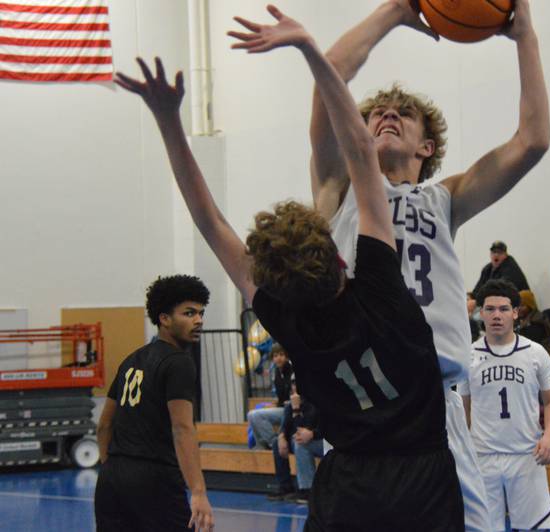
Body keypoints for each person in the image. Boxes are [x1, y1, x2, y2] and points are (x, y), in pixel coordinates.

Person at [118, 8, 464, 528]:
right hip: (424, 481)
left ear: (272, 288)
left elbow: (208, 219)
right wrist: (309, 50)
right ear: (339, 258)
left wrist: (167, 122)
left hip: (347, 483)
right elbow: (361, 154)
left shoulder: (291, 325)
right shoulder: (382, 290)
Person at [308, 1, 550, 528]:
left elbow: (532, 142)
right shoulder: (339, 189)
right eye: (375, 113)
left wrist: (525, 36)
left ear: (427, 146)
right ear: (358, 135)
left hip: (435, 402)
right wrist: (395, 9)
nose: (388, 115)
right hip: (362, 398)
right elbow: (327, 77)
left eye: (405, 113)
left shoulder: (446, 198)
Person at [94, 275, 214, 532]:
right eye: (189, 313)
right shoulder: (179, 362)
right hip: (154, 478)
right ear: (164, 319)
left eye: (201, 313)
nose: (199, 320)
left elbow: (104, 426)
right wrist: (199, 491)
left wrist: (110, 468)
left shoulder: (130, 360)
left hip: (111, 478)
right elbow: (182, 428)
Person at [460, 279, 550, 531]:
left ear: (515, 313)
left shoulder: (536, 353)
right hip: (482, 456)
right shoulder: (468, 355)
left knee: (535, 528)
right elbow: (464, 408)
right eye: (490, 309)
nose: (497, 315)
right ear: (480, 312)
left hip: (527, 455)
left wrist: (549, 437)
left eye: (504, 309)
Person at [273, 380, 324, 504]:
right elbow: (286, 426)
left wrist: (297, 411)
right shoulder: (291, 403)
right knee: (276, 443)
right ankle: (285, 487)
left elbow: (306, 428)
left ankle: (308, 490)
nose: (295, 387)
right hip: (305, 438)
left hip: (322, 440)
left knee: (300, 443)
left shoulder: (315, 402)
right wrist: (281, 437)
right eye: (294, 384)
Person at [247, 343, 293, 454]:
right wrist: (275, 404)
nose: (279, 358)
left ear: (286, 356)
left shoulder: (292, 371)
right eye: (276, 355)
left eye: (281, 355)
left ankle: (274, 442)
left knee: (255, 415)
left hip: (290, 410)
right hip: (282, 407)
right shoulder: (277, 372)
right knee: (252, 414)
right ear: (272, 358)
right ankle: (264, 446)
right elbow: (282, 397)